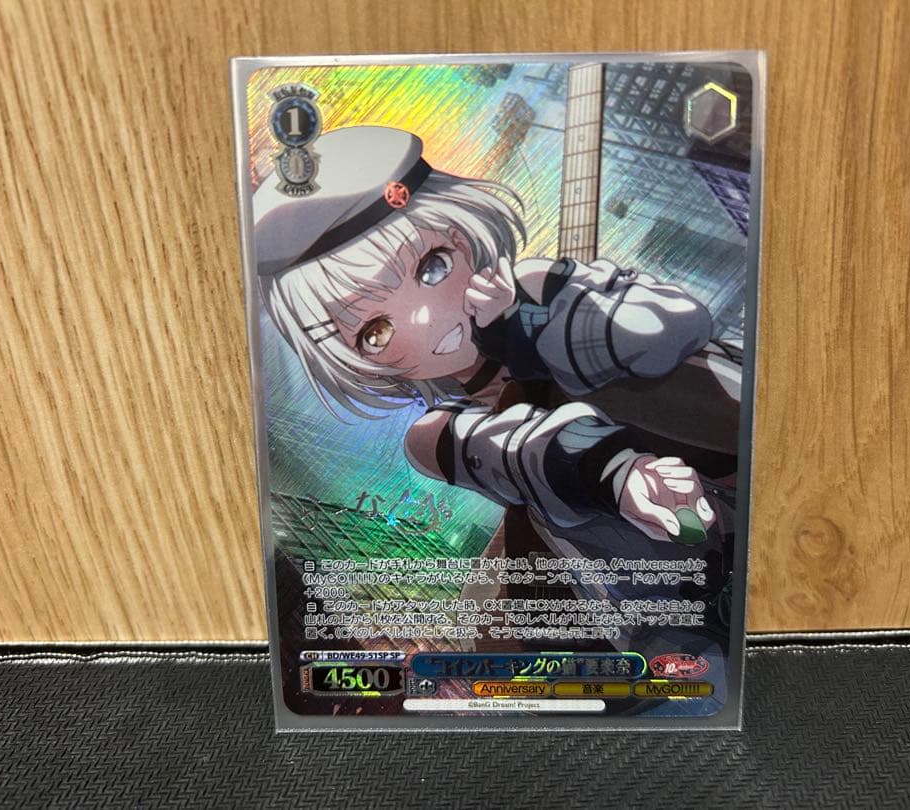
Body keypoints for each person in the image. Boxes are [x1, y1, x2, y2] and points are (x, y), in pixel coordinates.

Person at [255, 126, 733, 551]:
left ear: (465, 236)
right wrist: (615, 474)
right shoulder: (436, 433)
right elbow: (520, 453)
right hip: (684, 551)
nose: (425, 318)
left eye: (433, 266)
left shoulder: (542, 286)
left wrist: (522, 328)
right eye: (375, 331)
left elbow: (673, 325)